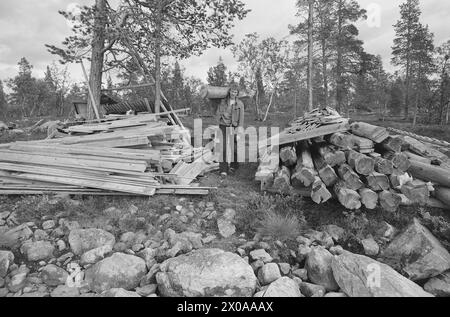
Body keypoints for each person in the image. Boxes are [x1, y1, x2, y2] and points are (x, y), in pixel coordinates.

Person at [216, 83, 245, 177]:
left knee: (234, 147)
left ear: (237, 93)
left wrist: (239, 130)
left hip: (234, 126)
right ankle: (223, 170)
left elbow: (241, 118)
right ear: (229, 91)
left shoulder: (240, 104)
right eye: (232, 91)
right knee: (223, 147)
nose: (233, 93)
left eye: (235, 92)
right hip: (223, 125)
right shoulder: (223, 101)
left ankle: (234, 165)